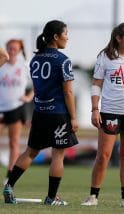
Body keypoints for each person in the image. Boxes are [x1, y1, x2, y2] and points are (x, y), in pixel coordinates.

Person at [3, 20, 79, 206]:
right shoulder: (63, 60)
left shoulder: (35, 60)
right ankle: (52, 198)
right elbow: (68, 92)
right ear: (56, 36)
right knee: (58, 155)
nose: (67, 37)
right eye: (65, 33)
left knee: (30, 152)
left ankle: (9, 185)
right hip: (59, 114)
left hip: (39, 113)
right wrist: (74, 117)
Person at [81, 22, 124, 208]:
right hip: (110, 111)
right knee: (103, 155)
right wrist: (95, 109)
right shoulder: (105, 57)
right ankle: (93, 196)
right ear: (118, 38)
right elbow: (96, 83)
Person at [0, 39, 34, 183]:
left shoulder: (25, 66)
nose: (12, 52)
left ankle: (9, 175)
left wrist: (28, 97)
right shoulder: (1, 65)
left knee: (14, 143)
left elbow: (37, 84)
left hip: (16, 108)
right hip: (1, 108)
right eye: (10, 49)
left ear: (20, 50)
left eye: (15, 49)